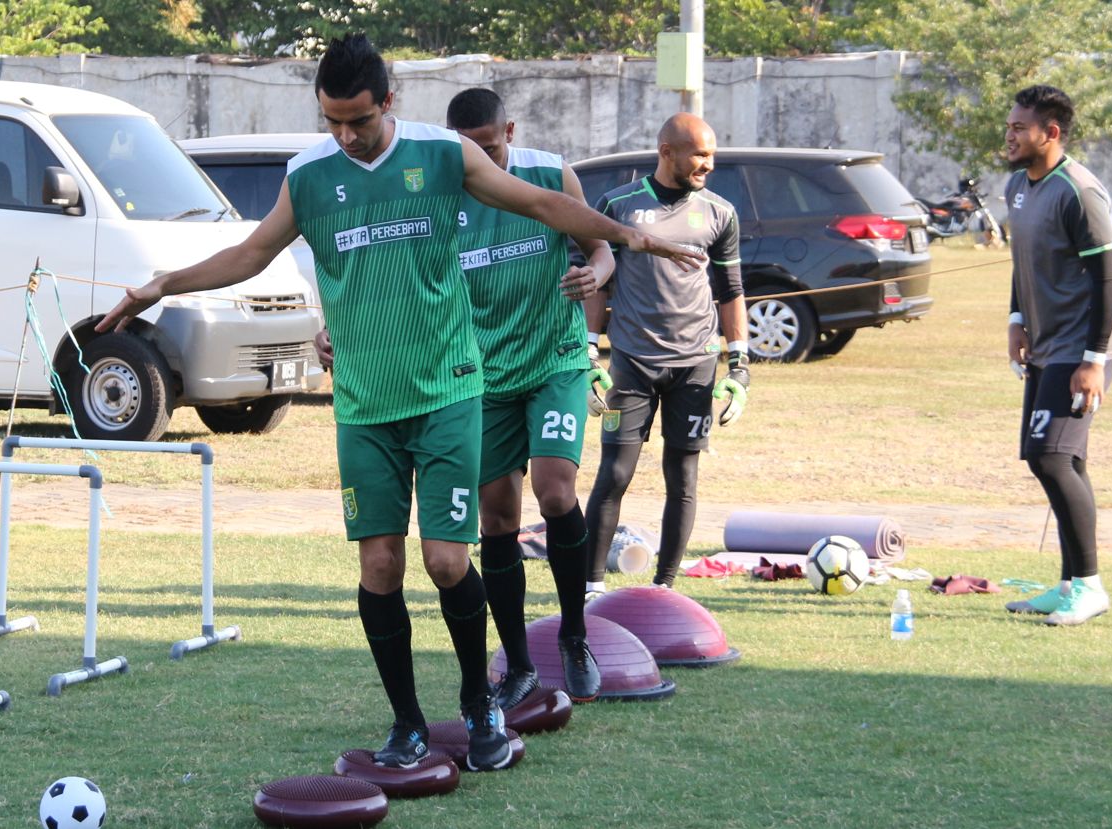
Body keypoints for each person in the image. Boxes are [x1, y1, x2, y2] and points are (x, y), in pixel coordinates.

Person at [97, 34, 700, 772]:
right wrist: (165, 281)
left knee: (448, 559)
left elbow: (542, 202)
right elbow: (251, 253)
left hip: (447, 391)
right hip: (362, 405)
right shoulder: (311, 175)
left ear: (391, 101)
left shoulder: (441, 155)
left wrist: (627, 238)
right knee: (378, 566)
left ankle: (480, 700)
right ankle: (408, 722)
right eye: (333, 122)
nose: (347, 136)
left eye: (360, 120)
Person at [315, 87, 612, 704]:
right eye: (469, 150)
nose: (483, 160)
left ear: (511, 129)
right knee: (499, 518)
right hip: (479, 376)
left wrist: (596, 273)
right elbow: (398, 273)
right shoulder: (444, 191)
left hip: (554, 359)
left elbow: (598, 244)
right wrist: (341, 327)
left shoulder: (548, 173)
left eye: (492, 146)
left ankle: (574, 635)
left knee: (556, 490)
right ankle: (521, 665)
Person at [582, 113, 749, 595]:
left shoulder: (720, 212)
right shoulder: (618, 205)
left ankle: (665, 589)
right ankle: (592, 589)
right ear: (667, 151)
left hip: (695, 362)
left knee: (684, 477)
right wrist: (588, 355)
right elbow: (597, 278)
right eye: (699, 155)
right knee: (615, 473)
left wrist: (739, 365)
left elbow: (731, 289)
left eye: (712, 155)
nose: (708, 165)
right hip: (632, 362)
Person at [1002, 84, 1112, 626]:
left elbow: (1108, 276)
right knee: (1065, 460)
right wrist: (1016, 319)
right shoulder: (1017, 187)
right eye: (1009, 126)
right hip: (1046, 346)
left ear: (1050, 133)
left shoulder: (1079, 191)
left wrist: (1094, 358)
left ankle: (1091, 587)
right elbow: (1023, 262)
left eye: (1019, 128)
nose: (1009, 135)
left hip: (1082, 349)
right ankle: (1071, 583)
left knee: (1047, 457)